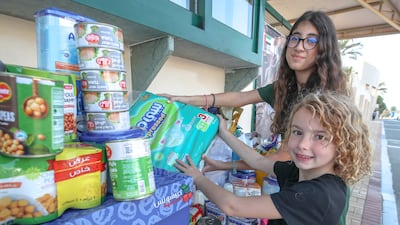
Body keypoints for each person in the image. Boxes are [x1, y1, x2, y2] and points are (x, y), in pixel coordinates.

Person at [162, 10, 349, 165]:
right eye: (295, 38)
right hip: (292, 182)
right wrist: (186, 100)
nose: (299, 47)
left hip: (315, 197)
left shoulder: (323, 101)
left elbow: (282, 158)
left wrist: (225, 164)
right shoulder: (286, 88)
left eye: (311, 41)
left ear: (324, 48)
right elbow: (239, 98)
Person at [174, 92, 372, 225]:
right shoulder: (304, 171)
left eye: (320, 137)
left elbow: (233, 206)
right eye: (297, 132)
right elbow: (258, 162)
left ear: (343, 144)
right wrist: (225, 134)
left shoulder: (317, 194)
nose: (303, 144)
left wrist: (197, 177)